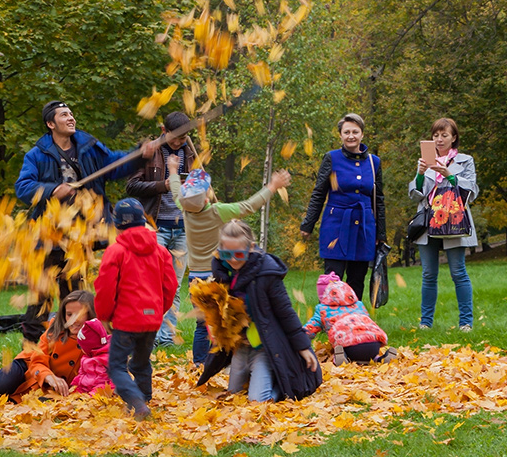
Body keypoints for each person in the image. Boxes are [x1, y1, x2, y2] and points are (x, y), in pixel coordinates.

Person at [14, 101, 156, 304]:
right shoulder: (36, 155)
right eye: (64, 115)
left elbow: (115, 165)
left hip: (81, 232)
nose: (71, 118)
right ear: (50, 124)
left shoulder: (88, 147)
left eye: (71, 114)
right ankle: (33, 336)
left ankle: (73, 333)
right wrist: (52, 190)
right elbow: (23, 187)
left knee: (74, 292)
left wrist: (139, 156)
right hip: (49, 233)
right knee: (40, 296)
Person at [167, 154, 290, 364]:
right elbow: (249, 206)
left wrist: (172, 170)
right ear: (207, 197)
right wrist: (272, 186)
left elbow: (176, 190)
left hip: (196, 278)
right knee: (225, 320)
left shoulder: (185, 209)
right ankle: (229, 360)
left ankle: (199, 362)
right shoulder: (217, 211)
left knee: (202, 323)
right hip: (218, 275)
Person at [196, 221, 322, 402]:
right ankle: (259, 378)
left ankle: (278, 386)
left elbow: (285, 312)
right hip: (240, 346)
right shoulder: (223, 271)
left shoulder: (266, 274)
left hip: (265, 347)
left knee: (257, 401)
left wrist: (303, 347)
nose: (233, 259)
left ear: (251, 248)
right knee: (234, 395)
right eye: (226, 254)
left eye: (239, 254)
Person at [93, 198, 178, 419]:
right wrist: (159, 310)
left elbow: (105, 287)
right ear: (143, 221)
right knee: (141, 362)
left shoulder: (115, 251)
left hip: (126, 321)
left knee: (116, 367)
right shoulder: (160, 251)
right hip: (151, 320)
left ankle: (137, 402)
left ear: (117, 225)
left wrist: (104, 316)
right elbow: (170, 286)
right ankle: (144, 401)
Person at [0, 289, 95, 406]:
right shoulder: (55, 331)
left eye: (80, 314)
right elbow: (37, 360)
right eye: (69, 314)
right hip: (27, 368)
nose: (73, 320)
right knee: (0, 384)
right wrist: (48, 376)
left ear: (90, 314)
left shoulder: (98, 340)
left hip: (47, 389)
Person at [126, 110, 198, 347]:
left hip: (182, 227)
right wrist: (163, 185)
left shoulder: (190, 153)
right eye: (175, 137)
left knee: (173, 286)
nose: (179, 142)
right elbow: (131, 186)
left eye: (183, 137)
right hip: (154, 227)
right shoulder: (148, 151)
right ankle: (150, 337)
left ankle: (166, 338)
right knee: (151, 284)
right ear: (163, 131)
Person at [300, 113, 386, 302]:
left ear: (362, 134)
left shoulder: (374, 162)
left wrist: (381, 234)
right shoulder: (331, 158)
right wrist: (308, 224)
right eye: (346, 132)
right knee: (333, 277)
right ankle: (329, 319)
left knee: (357, 278)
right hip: (336, 225)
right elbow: (319, 193)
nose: (351, 136)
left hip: (364, 227)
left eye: (355, 131)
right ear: (340, 135)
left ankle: (354, 322)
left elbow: (378, 198)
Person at [409, 117, 479, 331]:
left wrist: (450, 176)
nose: (439, 139)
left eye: (444, 135)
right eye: (436, 135)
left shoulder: (465, 161)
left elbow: (473, 192)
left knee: (458, 272)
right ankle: (425, 323)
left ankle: (466, 322)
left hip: (454, 221)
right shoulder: (425, 161)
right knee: (429, 274)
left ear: (453, 138)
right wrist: (420, 174)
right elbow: (415, 194)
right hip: (428, 222)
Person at [304, 272, 398, 365]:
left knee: (345, 342)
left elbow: (310, 328)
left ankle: (342, 358)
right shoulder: (359, 305)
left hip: (351, 347)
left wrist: (299, 339)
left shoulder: (323, 309)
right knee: (370, 356)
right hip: (374, 343)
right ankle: (379, 358)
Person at [71, 318, 114, 394]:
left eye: (82, 347)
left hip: (101, 386)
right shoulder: (85, 358)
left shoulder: (107, 358)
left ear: (90, 347)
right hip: (85, 386)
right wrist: (76, 382)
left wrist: (111, 388)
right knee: (74, 393)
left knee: (95, 394)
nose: (81, 350)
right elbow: (82, 373)